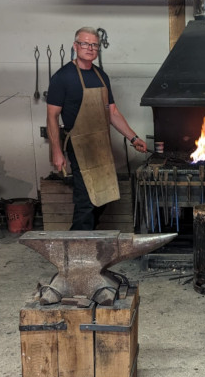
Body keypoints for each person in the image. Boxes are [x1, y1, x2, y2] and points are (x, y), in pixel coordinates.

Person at [46, 26, 147, 230]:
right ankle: (78, 245)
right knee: (86, 200)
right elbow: (52, 116)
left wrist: (134, 138)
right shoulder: (62, 77)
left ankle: (90, 236)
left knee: (105, 196)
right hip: (79, 146)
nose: (90, 48)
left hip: (101, 146)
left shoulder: (101, 76)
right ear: (75, 46)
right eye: (85, 43)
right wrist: (57, 152)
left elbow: (113, 113)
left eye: (94, 45)